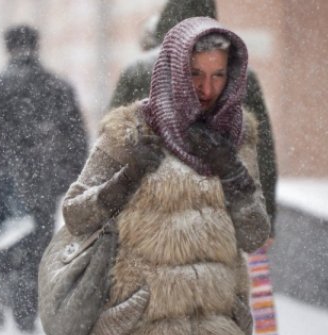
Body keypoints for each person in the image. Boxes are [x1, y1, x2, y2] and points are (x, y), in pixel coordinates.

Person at [58, 17, 270, 335]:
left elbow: (254, 236)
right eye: (195, 74)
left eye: (218, 75)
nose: (207, 90)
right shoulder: (129, 130)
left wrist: (234, 175)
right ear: (173, 72)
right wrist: (126, 179)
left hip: (217, 327)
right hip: (141, 326)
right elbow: (75, 215)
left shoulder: (238, 137)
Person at [108, 0, 278, 238]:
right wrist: (267, 215)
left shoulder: (137, 70)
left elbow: (111, 146)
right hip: (220, 223)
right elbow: (262, 151)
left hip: (146, 224)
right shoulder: (240, 74)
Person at [0, 24, 89, 333]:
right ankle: (26, 311)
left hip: (3, 181)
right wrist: (67, 177)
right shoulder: (58, 87)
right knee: (38, 247)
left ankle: (0, 299)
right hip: (44, 182)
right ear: (36, 46)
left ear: (8, 47)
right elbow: (76, 138)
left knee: (1, 241)